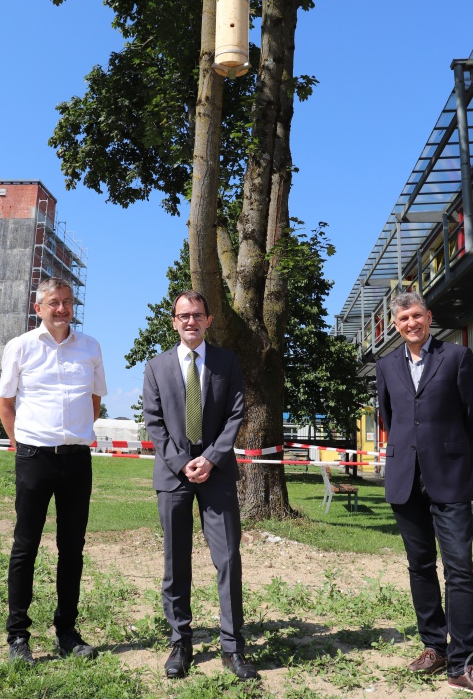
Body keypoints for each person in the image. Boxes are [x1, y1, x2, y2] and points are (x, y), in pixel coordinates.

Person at [376, 291, 473, 698]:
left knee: (460, 570)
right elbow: (389, 417)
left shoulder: (456, 357)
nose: (411, 323)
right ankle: (434, 647)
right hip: (405, 478)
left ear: (429, 317)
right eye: (404, 318)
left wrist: (454, 454)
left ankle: (461, 665)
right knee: (419, 566)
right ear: (395, 325)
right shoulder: (386, 365)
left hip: (449, 478)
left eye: (417, 315)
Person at [142, 290, 258, 681]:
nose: (190, 321)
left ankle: (232, 646)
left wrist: (210, 458)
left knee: (228, 559)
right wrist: (182, 463)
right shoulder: (156, 367)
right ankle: (180, 642)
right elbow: (154, 423)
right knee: (175, 562)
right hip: (172, 475)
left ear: (208, 320)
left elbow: (236, 415)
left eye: (197, 315)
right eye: (183, 315)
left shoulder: (227, 362)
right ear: (174, 322)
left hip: (218, 473)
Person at [0, 277, 107, 665]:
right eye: (54, 302)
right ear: (38, 307)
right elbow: (5, 402)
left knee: (72, 548)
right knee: (25, 546)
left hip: (76, 460)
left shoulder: (90, 347)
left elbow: (94, 401)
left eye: (67, 302)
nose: (61, 309)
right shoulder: (20, 347)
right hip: (34, 459)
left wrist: (73, 434)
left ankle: (67, 632)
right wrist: (22, 443)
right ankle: (18, 636)